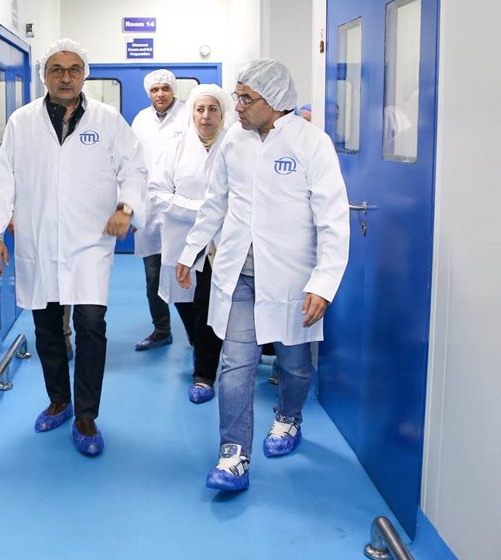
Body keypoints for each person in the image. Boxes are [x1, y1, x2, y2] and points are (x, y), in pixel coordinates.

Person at [176, 59, 349, 491]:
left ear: (273, 101)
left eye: (245, 98)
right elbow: (216, 202)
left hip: (292, 278)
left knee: (294, 365)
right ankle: (233, 455)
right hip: (238, 273)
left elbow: (332, 219)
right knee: (235, 365)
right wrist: (191, 250)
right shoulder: (234, 141)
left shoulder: (311, 143)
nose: (236, 106)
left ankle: (289, 416)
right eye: (237, 96)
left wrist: (323, 283)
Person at [0, 38, 146, 456]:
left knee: (90, 324)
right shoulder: (22, 122)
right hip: (39, 239)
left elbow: (135, 166)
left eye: (74, 69)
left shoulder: (107, 120)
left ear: (84, 74)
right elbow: (2, 178)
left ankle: (86, 415)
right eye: (57, 69)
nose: (66, 77)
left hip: (90, 243)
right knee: (47, 327)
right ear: (44, 76)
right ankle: (59, 400)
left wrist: (126, 207)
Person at [147, 84, 231, 403]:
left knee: (208, 304)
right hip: (181, 238)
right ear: (192, 113)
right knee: (183, 300)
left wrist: (214, 213)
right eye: (200, 109)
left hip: (221, 241)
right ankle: (201, 345)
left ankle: (203, 375)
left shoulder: (234, 145)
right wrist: (200, 210)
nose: (206, 116)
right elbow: (157, 193)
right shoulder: (176, 146)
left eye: (213, 109)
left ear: (222, 113)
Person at [130, 68, 189, 351]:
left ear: (173, 90)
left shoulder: (189, 114)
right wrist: (132, 209)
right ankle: (162, 329)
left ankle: (199, 336)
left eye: (165, 88)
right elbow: (132, 163)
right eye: (155, 90)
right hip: (150, 208)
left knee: (188, 275)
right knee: (153, 275)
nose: (160, 94)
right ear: (149, 93)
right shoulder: (141, 120)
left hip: (182, 206)